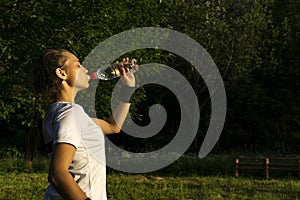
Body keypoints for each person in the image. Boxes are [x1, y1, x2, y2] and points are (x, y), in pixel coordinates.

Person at [33, 48, 135, 200]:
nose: (85, 69)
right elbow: (57, 174)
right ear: (62, 73)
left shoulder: (57, 113)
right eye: (78, 65)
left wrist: (128, 89)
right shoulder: (70, 114)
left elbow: (113, 126)